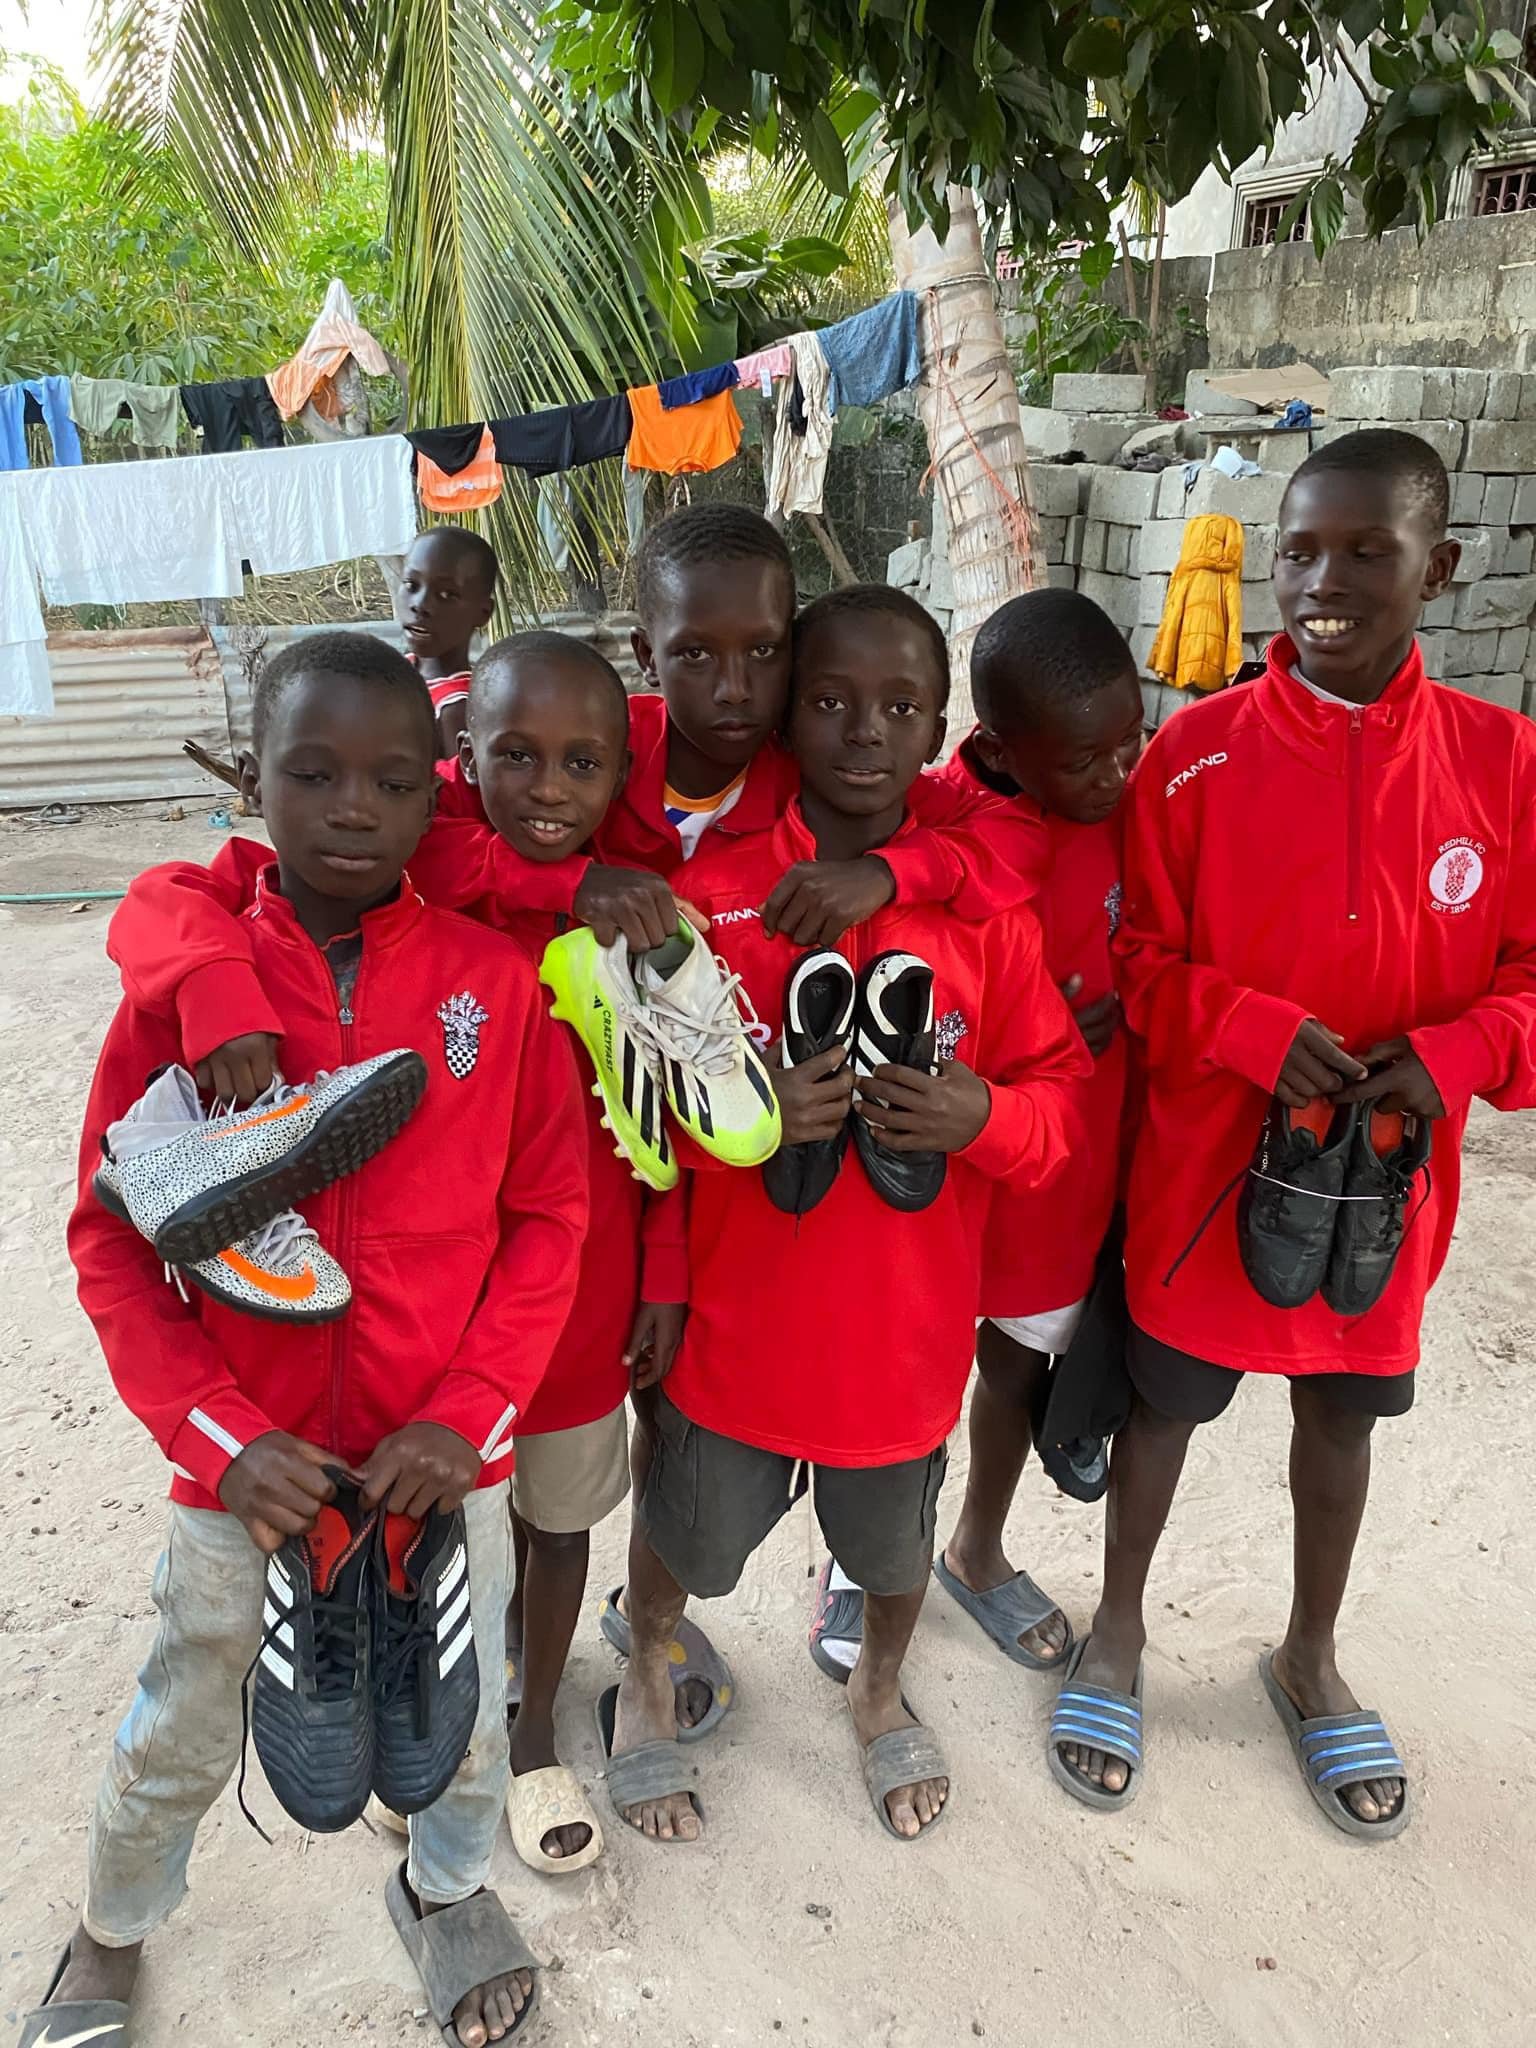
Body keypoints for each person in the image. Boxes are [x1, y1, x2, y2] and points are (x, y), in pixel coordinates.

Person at [38, 633, 587, 2048]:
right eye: (313, 772)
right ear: (255, 782)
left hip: (440, 1457)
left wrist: (468, 1414)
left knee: (457, 1704)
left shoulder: (494, 987)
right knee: (189, 1706)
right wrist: (221, 1443)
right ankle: (112, 1928)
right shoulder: (189, 989)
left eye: (395, 782)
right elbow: (113, 1236)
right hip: (250, 1462)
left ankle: (451, 1887)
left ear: (437, 796)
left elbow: (548, 1222)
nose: (355, 807)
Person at [1051, 430, 1536, 1837]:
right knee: (1165, 1405)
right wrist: (1250, 1028)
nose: (1321, 582)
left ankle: (1310, 1656)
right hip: (1210, 1169)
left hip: (1384, 1190)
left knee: (1343, 1413)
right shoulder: (1193, 757)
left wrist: (1453, 1055)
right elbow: (1137, 961)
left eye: (1365, 551)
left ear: (1437, 568)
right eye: (1301, 552)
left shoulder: (1505, 766)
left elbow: (1527, 979)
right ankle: (1120, 1629)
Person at [603, 584, 1089, 1845]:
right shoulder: (710, 906)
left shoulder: (984, 915)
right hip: (739, 1335)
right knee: (685, 1531)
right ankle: (648, 1662)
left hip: (904, 1342)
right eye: (828, 700)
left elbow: (1060, 1114)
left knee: (890, 1550)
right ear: (782, 719)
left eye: (899, 707)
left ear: (938, 731)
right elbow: (649, 1125)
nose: (865, 730)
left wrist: (977, 1115)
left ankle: (878, 1680)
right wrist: (750, 1118)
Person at [927, 590, 1142, 1670]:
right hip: (934, 1155)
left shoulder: (1141, 814)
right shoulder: (934, 815)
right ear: (1001, 749)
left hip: (1062, 1157)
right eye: (1083, 761)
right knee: (903, 1367)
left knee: (1013, 1361)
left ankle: (975, 1542)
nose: (1113, 775)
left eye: (1129, 742)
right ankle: (859, 1563)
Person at [395, 526, 498, 760]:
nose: (420, 605)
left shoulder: (456, 710)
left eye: (447, 595)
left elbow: (455, 795)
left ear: (483, 612)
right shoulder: (399, 669)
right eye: (411, 585)